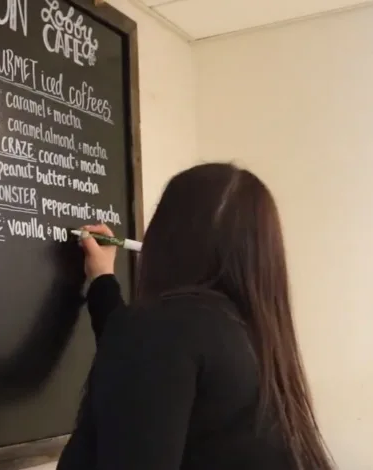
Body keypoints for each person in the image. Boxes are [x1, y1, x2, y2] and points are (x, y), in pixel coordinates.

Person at [57, 163, 334, 470]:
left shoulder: (162, 329)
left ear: (168, 236)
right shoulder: (248, 335)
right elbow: (152, 371)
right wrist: (102, 281)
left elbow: (151, 357)